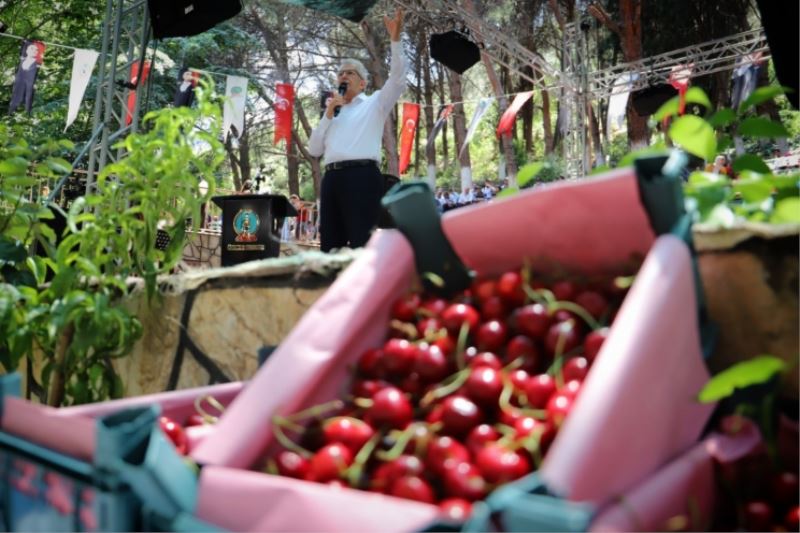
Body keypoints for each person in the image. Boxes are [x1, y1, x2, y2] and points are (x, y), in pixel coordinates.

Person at [308, 9, 406, 252]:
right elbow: (313, 149)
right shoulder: (331, 112)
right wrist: (327, 115)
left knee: (363, 242)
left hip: (362, 177)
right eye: (340, 73)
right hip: (331, 179)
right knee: (330, 244)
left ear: (362, 83)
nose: (343, 76)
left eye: (349, 72)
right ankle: (334, 287)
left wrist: (395, 40)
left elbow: (398, 79)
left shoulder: (375, 103)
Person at [9, 41, 44, 115]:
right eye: (32, 49)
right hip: (19, 82)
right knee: (16, 94)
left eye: (36, 50)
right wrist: (25, 43)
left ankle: (28, 112)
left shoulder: (37, 63)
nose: (34, 51)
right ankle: (11, 111)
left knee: (29, 95)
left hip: (29, 82)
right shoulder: (22, 59)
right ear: (27, 50)